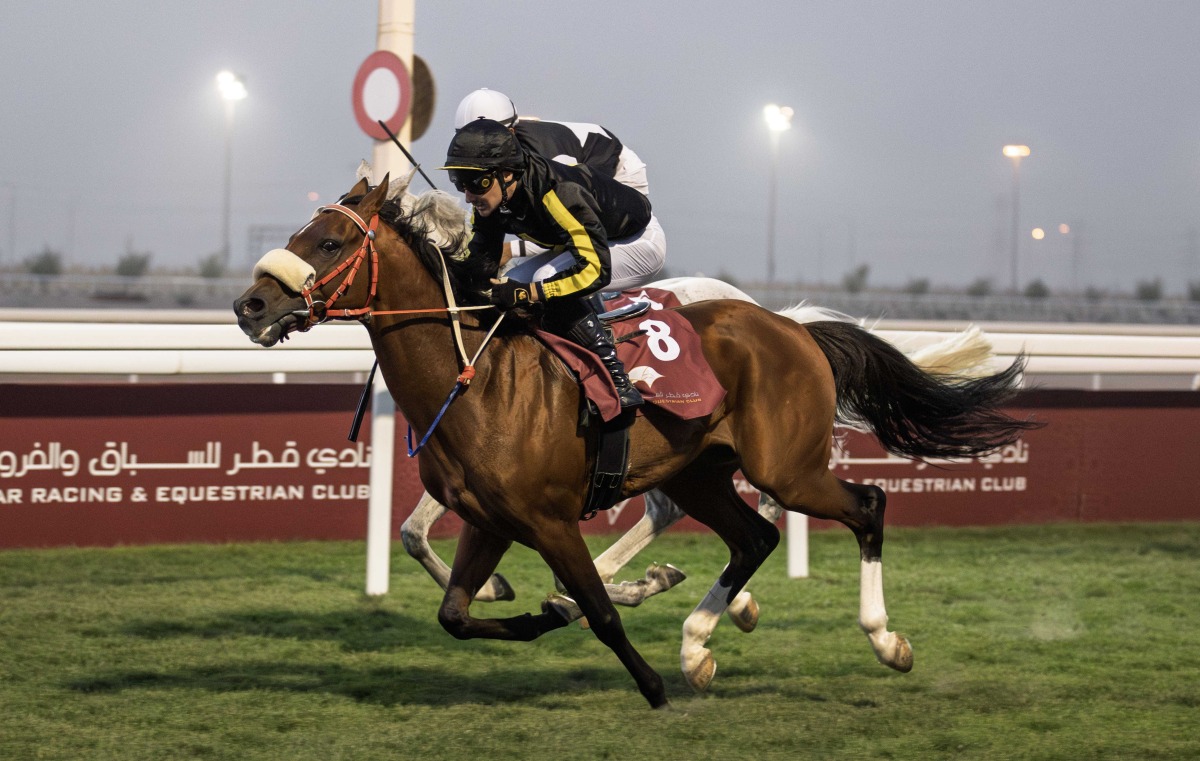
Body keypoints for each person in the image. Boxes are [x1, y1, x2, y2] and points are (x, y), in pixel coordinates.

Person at [440, 118, 648, 409]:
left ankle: (615, 378)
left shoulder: (557, 191)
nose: (468, 195)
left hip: (636, 240)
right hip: (584, 241)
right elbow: (479, 265)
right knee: (512, 279)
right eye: (459, 181)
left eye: (475, 182)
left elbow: (594, 271)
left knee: (544, 276)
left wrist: (529, 293)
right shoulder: (491, 200)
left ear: (506, 173)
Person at [453, 89, 664, 292]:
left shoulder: (550, 165)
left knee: (549, 277)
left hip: (617, 178)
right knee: (515, 280)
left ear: (510, 133)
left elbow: (566, 226)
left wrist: (512, 250)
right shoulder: (507, 167)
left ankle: (599, 320)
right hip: (576, 187)